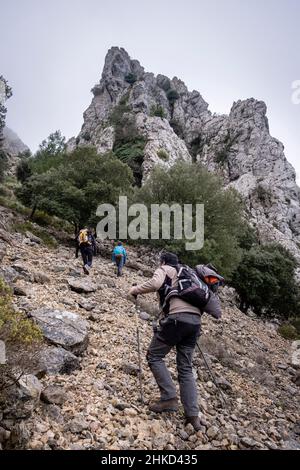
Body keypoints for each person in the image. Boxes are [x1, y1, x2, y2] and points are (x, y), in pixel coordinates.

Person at [128, 252, 222, 432]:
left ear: (163, 261)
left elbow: (155, 284)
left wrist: (134, 290)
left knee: (154, 355)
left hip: (177, 320)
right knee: (185, 368)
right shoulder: (189, 274)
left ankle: (169, 398)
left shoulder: (165, 268)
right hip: (194, 324)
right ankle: (193, 417)